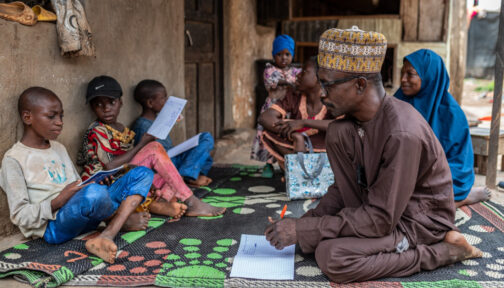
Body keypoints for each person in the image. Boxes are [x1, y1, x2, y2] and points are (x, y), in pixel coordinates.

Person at [265, 27, 482, 283]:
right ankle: (348, 233)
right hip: (378, 208)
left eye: (328, 85)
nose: (321, 93)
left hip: (415, 220)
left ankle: (442, 251)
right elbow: (343, 189)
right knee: (309, 241)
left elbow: (380, 219)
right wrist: (307, 221)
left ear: (359, 85)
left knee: (332, 256)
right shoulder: (349, 127)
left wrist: (307, 229)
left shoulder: (402, 132)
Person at [0, 87, 154, 264]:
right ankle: (119, 221)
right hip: (54, 226)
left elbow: (77, 185)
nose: (59, 122)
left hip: (84, 213)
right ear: (28, 117)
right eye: (51, 116)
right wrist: (59, 200)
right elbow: (20, 215)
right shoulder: (13, 159)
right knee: (95, 194)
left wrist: (93, 182)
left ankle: (108, 233)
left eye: (61, 116)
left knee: (142, 173)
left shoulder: (58, 148)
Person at [77, 75, 226, 217]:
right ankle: (190, 202)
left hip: (129, 178)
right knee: (154, 148)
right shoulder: (96, 131)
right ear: (92, 107)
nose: (106, 108)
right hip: (111, 185)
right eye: (98, 104)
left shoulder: (123, 129)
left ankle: (161, 201)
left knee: (170, 175)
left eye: (111, 102)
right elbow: (109, 168)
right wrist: (142, 144)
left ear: (121, 102)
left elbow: (132, 165)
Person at [394, 49, 490, 208]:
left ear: (429, 76)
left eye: (410, 74)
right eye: (402, 73)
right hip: (408, 167)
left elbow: (456, 162)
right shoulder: (398, 101)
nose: (403, 79)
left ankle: (462, 198)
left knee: (410, 201)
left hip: (442, 172)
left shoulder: (452, 114)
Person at [131, 79, 214, 188]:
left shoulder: (157, 119)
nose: (166, 101)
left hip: (172, 157)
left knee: (205, 155)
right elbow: (145, 156)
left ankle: (190, 176)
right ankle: (184, 177)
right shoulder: (142, 125)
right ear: (150, 103)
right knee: (206, 138)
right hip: (163, 164)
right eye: (163, 98)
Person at [259, 57, 332, 166]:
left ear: (320, 76)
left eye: (304, 71)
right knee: (269, 131)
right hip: (296, 144)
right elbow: (265, 117)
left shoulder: (332, 98)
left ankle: (301, 170)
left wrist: (304, 122)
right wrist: (295, 135)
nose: (297, 75)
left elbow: (342, 125)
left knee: (342, 135)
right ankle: (296, 171)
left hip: (324, 146)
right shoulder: (294, 96)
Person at [250, 34, 302, 177]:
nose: (284, 57)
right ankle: (268, 164)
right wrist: (290, 83)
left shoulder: (297, 71)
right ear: (273, 56)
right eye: (279, 54)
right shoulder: (269, 70)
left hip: (289, 110)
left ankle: (286, 164)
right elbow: (273, 81)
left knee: (285, 136)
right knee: (267, 134)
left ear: (292, 55)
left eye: (287, 54)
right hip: (272, 110)